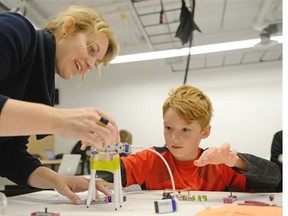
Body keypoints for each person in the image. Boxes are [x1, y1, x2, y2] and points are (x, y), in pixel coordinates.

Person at [0, 5, 120, 204]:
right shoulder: (18, 30)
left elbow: (8, 156)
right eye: (91, 49)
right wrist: (59, 121)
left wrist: (57, 179)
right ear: (68, 28)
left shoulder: (37, 82)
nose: (90, 64)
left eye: (96, 62)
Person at [98, 84, 280, 192]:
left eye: (185, 130)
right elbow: (107, 175)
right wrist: (104, 148)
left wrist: (236, 160)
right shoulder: (152, 159)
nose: (174, 138)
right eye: (168, 128)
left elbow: (274, 178)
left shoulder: (218, 164)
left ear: (205, 132)